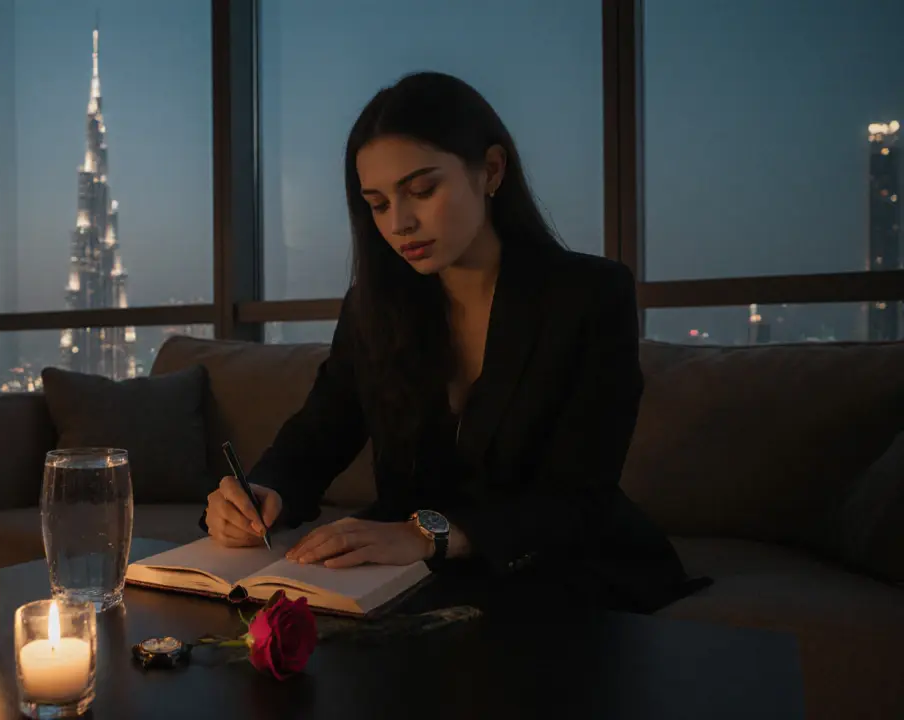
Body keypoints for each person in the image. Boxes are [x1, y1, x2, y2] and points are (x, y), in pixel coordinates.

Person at [202, 71, 708, 615]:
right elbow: (320, 431)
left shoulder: (588, 296)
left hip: (558, 562)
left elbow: (579, 496)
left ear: (490, 170)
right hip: (417, 567)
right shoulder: (374, 307)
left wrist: (429, 536)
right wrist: (262, 491)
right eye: (377, 203)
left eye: (422, 190)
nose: (400, 223)